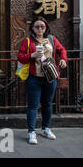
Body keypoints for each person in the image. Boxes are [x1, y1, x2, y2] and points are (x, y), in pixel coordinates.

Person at [17, 16, 67, 145]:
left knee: (48, 104)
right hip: (34, 78)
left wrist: (62, 60)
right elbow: (20, 57)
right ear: (32, 28)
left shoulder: (51, 39)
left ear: (46, 28)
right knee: (33, 105)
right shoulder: (27, 41)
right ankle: (31, 132)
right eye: (37, 26)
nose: (40, 28)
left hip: (50, 77)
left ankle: (46, 128)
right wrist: (31, 55)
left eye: (42, 26)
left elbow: (62, 50)